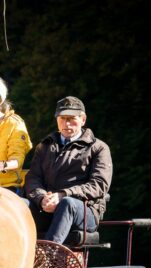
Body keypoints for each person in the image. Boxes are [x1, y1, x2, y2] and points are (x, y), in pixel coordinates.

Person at [24, 96, 112, 244]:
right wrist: (42, 198)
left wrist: (62, 195)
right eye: (62, 118)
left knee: (67, 204)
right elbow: (33, 179)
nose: (66, 123)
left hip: (85, 211)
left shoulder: (98, 148)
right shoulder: (44, 146)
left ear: (83, 119)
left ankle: (49, 258)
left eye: (72, 118)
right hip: (47, 207)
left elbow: (99, 185)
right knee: (20, 204)